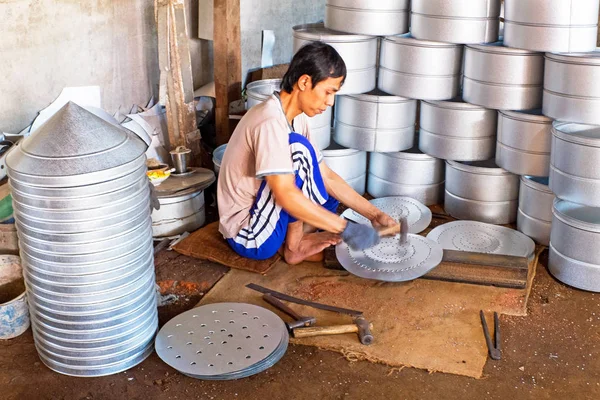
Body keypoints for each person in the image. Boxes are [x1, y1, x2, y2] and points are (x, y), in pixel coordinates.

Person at [217, 42, 396, 265]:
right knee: (299, 152)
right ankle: (294, 246)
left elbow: (326, 176)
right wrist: (348, 230)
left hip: (267, 211)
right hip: (249, 233)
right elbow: (284, 194)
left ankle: (297, 236)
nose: (330, 102)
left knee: (326, 187)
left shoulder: (296, 117)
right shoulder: (269, 121)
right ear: (304, 82)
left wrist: (375, 215)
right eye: (328, 92)